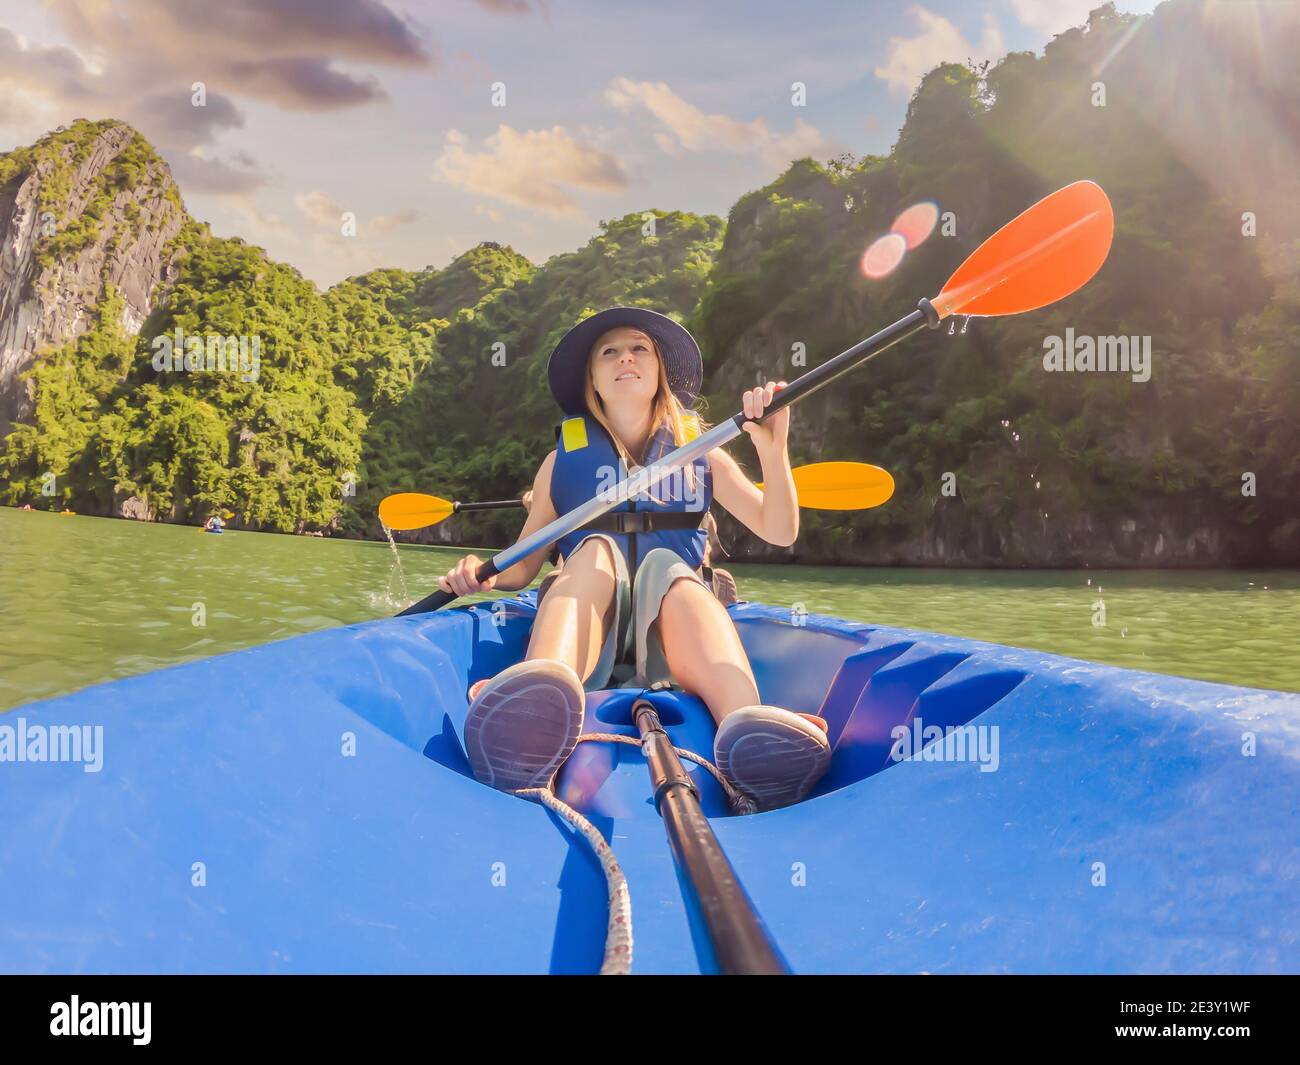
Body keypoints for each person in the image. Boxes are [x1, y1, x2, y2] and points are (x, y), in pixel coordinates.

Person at [439, 307, 830, 810]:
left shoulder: (702, 450)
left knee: (673, 573)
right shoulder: (560, 462)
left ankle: (745, 726)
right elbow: (520, 567)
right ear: (593, 381)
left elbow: (779, 529)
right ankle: (539, 700)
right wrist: (479, 573)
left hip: (673, 638)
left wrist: (773, 452)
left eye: (639, 348)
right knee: (594, 552)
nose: (626, 356)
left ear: (659, 371)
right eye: (609, 352)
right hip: (588, 629)